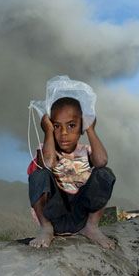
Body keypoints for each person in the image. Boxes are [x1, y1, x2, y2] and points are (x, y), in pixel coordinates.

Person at [27, 96, 116, 249]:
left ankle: (92, 227)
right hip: (54, 214)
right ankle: (46, 228)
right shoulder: (46, 150)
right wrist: (48, 132)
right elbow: (48, 164)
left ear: (81, 128)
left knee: (105, 173)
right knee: (39, 175)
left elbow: (102, 161)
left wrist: (90, 129)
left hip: (81, 216)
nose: (64, 133)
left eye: (71, 126)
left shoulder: (86, 151)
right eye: (56, 126)